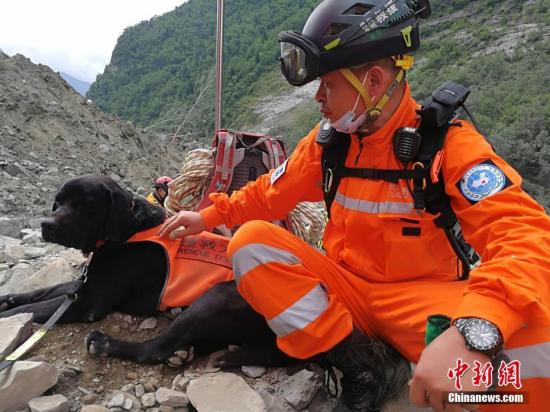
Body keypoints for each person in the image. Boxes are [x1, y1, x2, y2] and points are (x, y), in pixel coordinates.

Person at [158, 1, 550, 411]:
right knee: (252, 243)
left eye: (327, 85)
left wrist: (476, 327)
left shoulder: (448, 146)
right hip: (344, 291)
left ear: (374, 81)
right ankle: (359, 363)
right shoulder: (330, 142)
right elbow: (269, 193)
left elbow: (524, 234)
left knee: (540, 336)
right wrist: (206, 216)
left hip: (418, 304)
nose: (319, 99)